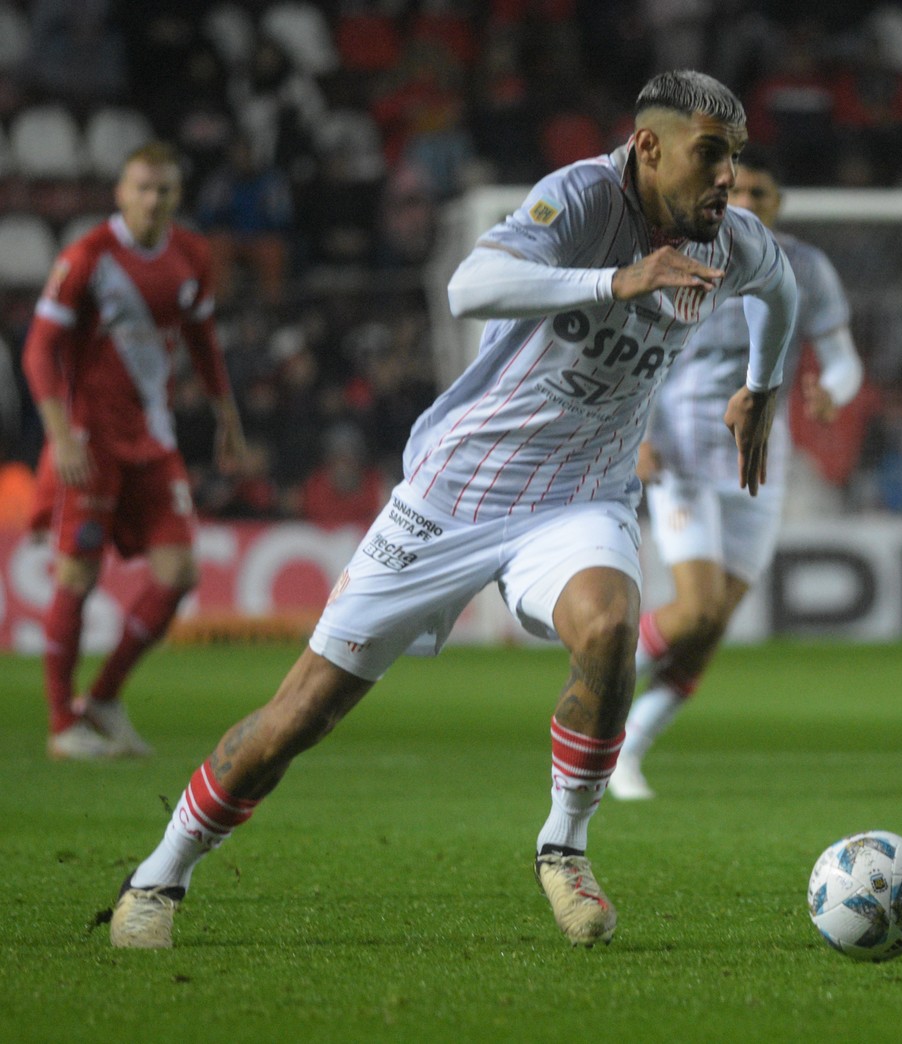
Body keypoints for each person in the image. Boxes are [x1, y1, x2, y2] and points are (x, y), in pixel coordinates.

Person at [106, 70, 799, 950]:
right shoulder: (581, 197)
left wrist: (760, 388)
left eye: (733, 159)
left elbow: (783, 294)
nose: (727, 179)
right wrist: (614, 283)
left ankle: (564, 846)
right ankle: (158, 877)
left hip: (579, 495)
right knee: (301, 714)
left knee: (612, 624)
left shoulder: (727, 238)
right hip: (455, 492)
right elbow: (469, 287)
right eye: (711, 155)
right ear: (649, 147)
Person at [609, 149, 862, 801]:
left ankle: (629, 748)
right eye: (738, 190)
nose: (749, 201)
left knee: (715, 626)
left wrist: (832, 390)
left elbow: (842, 359)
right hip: (683, 445)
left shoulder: (805, 266)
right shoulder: (679, 255)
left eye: (762, 193)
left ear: (777, 204)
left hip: (758, 455)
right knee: (692, 613)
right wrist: (637, 435)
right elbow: (632, 352)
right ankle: (595, 686)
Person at [22, 141, 246, 762]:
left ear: (177, 197)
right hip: (89, 443)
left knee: (179, 574)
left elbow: (202, 338)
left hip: (153, 438)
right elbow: (38, 350)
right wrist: (61, 434)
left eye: (164, 190)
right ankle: (61, 723)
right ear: (121, 192)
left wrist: (227, 416)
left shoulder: (191, 255)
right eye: (142, 188)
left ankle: (104, 699)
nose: (153, 200)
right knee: (78, 574)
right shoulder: (87, 257)